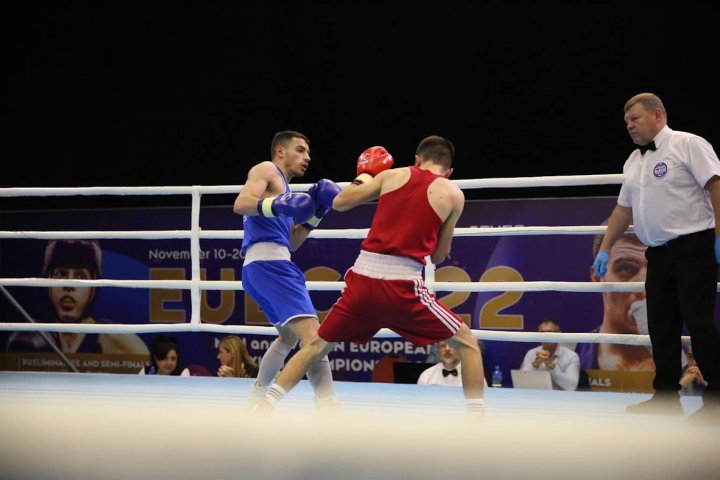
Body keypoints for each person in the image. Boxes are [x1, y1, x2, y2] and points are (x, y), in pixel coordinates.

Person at [258, 135, 486, 418]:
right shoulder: (453, 194)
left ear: (417, 159)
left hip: (364, 279)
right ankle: (478, 422)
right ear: (449, 170)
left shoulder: (391, 175)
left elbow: (340, 202)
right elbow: (439, 256)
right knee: (467, 343)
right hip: (404, 287)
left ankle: (264, 407)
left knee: (315, 346)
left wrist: (366, 174)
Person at [593, 92, 720, 418]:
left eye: (635, 119)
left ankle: (717, 397)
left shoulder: (687, 143)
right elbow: (623, 210)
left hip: (693, 247)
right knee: (661, 327)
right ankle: (665, 397)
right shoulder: (634, 161)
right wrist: (606, 248)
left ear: (658, 115)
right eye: (626, 122)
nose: (629, 126)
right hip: (658, 255)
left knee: (700, 323)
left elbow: (716, 185)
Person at [233, 130, 339, 409]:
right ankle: (328, 406)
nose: (307, 158)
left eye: (308, 153)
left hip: (261, 266)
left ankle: (255, 397)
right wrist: (277, 204)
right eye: (301, 150)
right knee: (315, 338)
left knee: (289, 336)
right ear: (280, 151)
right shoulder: (267, 169)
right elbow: (241, 204)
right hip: (271, 266)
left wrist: (317, 213)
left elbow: (292, 241)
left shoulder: (288, 192)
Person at [6, 239, 149, 360]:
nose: (69, 285)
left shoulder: (115, 340)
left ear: (94, 287)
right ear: (47, 283)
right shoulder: (30, 337)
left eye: (80, 276)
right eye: (61, 274)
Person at [578, 227, 656, 371]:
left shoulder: (693, 355)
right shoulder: (574, 357)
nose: (645, 287)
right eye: (626, 269)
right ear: (597, 277)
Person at [520, 319, 580, 391]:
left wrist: (552, 367)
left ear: (559, 334)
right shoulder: (531, 353)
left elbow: (571, 386)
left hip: (561, 399)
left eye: (550, 332)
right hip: (536, 398)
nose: (546, 336)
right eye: (542, 333)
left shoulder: (571, 356)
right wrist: (534, 365)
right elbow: (521, 385)